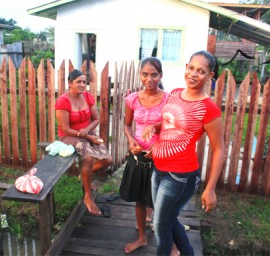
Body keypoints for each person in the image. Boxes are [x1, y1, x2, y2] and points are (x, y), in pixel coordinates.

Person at [142, 50, 225, 255]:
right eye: (191, 68)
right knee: (168, 220)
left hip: (180, 176)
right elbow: (171, 123)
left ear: (210, 76)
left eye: (201, 71)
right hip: (159, 169)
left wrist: (210, 188)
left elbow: (219, 149)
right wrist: (155, 127)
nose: (193, 74)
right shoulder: (176, 93)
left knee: (160, 226)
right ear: (186, 67)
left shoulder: (209, 109)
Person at [119, 57, 169, 254]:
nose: (149, 79)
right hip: (138, 157)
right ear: (140, 75)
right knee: (140, 199)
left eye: (154, 75)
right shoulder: (132, 99)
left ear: (161, 76)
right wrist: (131, 140)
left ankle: (168, 241)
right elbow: (126, 125)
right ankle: (142, 238)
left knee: (161, 201)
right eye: (145, 74)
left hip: (162, 157)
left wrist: (159, 145)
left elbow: (172, 127)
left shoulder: (168, 99)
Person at [55, 69, 112, 216]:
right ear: (69, 83)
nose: (82, 85)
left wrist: (87, 131)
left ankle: (84, 174)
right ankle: (87, 195)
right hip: (69, 136)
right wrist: (86, 136)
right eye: (78, 82)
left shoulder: (87, 96)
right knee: (88, 157)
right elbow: (65, 129)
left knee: (107, 160)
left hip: (87, 133)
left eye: (84, 82)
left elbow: (96, 119)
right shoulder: (63, 101)